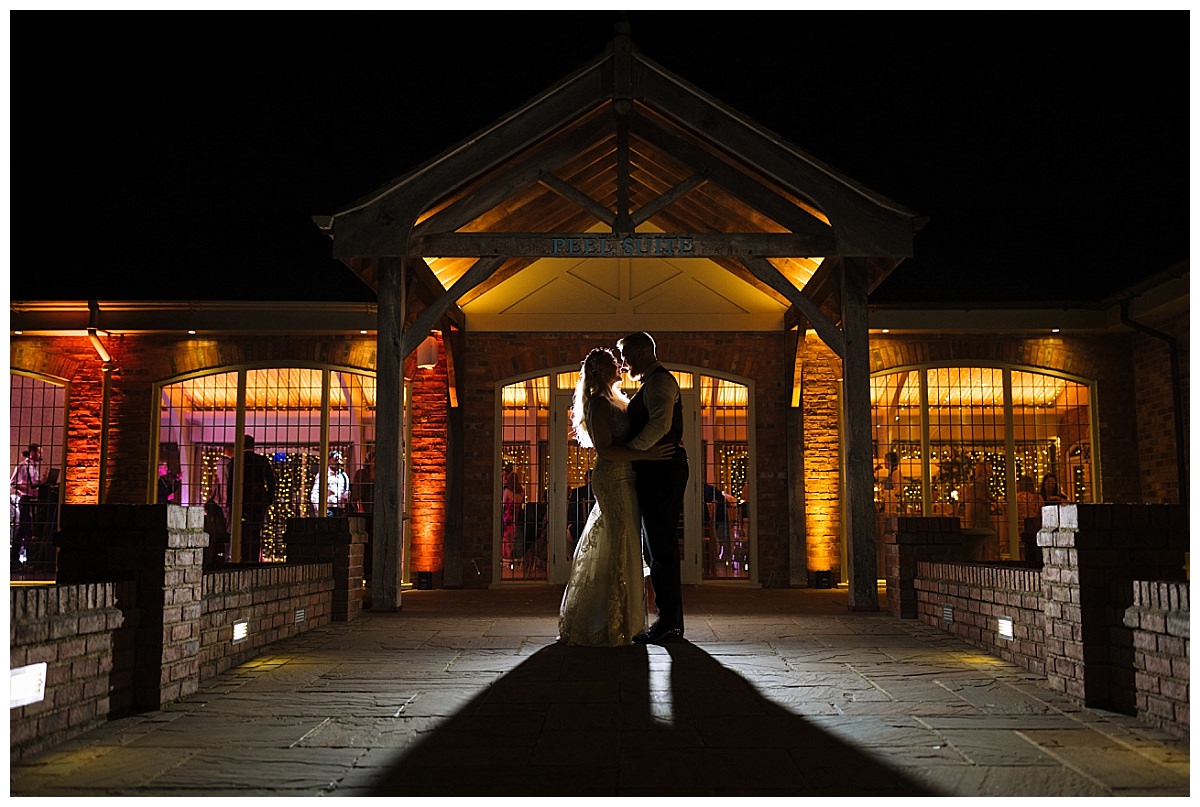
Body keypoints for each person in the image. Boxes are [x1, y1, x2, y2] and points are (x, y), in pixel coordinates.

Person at [558, 347, 673, 647]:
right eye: (614, 363)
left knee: (626, 542)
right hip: (612, 478)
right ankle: (612, 621)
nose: (621, 365)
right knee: (620, 541)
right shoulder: (598, 404)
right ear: (600, 370)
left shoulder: (620, 400)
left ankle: (626, 617)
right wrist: (645, 454)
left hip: (628, 478)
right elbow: (606, 450)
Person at [618, 331, 690, 645]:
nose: (623, 363)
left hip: (661, 467)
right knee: (656, 548)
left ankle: (670, 623)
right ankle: (667, 621)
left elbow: (659, 425)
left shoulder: (660, 382)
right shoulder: (651, 383)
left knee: (661, 547)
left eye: (626, 356)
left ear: (642, 353)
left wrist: (631, 453)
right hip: (655, 468)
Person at [229, 435, 276, 563]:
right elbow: (271, 481)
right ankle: (253, 559)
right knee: (256, 532)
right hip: (258, 503)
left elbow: (230, 484)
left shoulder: (236, 461)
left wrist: (230, 503)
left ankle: (242, 558)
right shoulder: (261, 461)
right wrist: (268, 499)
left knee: (242, 532)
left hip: (241, 502)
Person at [9, 443, 42, 567]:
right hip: (25, 500)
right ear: (32, 453)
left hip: (31, 500)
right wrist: (29, 490)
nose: (41, 455)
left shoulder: (33, 467)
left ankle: (16, 559)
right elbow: (13, 483)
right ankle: (16, 560)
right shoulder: (23, 466)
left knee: (25, 530)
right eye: (39, 452)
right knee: (25, 530)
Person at [312, 450, 351, 517]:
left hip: (340, 509)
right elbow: (315, 493)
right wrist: (319, 509)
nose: (338, 463)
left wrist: (346, 497)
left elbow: (346, 491)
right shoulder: (323, 475)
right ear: (329, 461)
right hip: (327, 508)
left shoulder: (344, 476)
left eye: (339, 460)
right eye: (335, 460)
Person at [500, 461, 524, 561]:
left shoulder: (507, 492)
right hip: (516, 516)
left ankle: (506, 555)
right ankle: (514, 554)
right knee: (514, 535)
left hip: (508, 516)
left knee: (507, 536)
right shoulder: (521, 492)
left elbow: (503, 504)